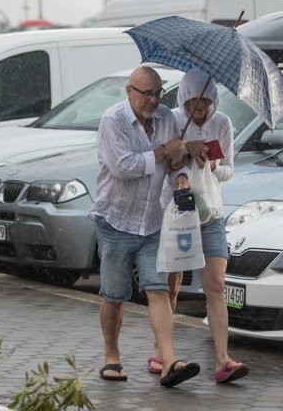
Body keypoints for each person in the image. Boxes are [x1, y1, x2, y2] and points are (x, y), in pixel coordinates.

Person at [89, 65, 209, 387]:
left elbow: (172, 162)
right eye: (147, 94)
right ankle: (111, 356)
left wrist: (179, 175)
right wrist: (162, 152)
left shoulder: (168, 118)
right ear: (129, 91)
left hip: (152, 222)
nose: (154, 100)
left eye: (158, 94)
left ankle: (169, 360)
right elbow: (123, 166)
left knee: (158, 290)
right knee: (115, 295)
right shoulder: (112, 120)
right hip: (115, 221)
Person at [150, 68, 250, 384]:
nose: (202, 107)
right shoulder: (172, 122)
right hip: (178, 213)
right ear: (184, 98)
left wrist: (216, 166)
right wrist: (184, 151)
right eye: (195, 100)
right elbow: (165, 165)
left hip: (210, 214)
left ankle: (222, 361)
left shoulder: (222, 124)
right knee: (173, 283)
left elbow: (230, 169)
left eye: (207, 101)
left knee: (216, 285)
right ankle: (161, 353)